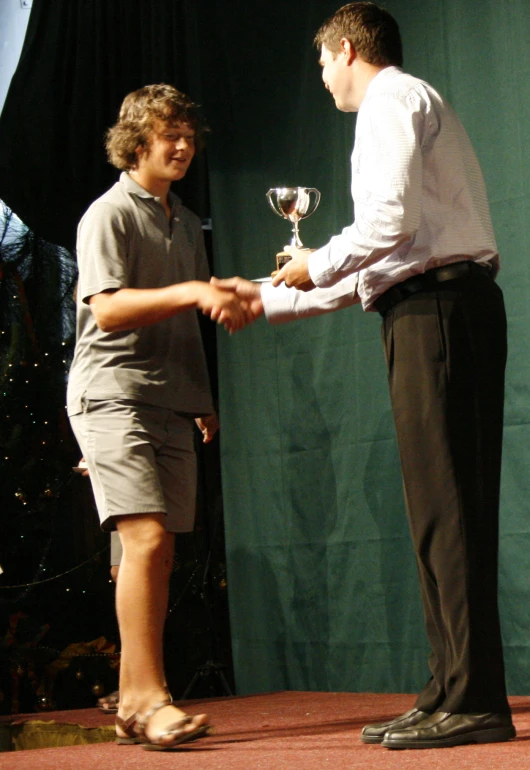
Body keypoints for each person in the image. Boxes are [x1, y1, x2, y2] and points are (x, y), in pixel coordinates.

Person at [212, 1, 515, 750]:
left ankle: (474, 698)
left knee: (450, 507)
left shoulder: (389, 99)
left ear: (347, 49)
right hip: (422, 307)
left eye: (321, 61)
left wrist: (309, 263)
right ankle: (449, 687)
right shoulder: (396, 107)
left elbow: (388, 225)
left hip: (440, 309)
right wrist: (273, 295)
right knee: (434, 512)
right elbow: (384, 260)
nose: (321, 77)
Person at [67, 83, 250, 750]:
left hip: (173, 401)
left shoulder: (185, 219)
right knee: (143, 540)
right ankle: (150, 700)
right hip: (113, 393)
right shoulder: (107, 215)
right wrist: (195, 290)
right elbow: (107, 308)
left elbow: (189, 320)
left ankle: (131, 701)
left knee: (159, 552)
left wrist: (201, 400)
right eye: (169, 134)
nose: (183, 146)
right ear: (136, 142)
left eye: (189, 135)